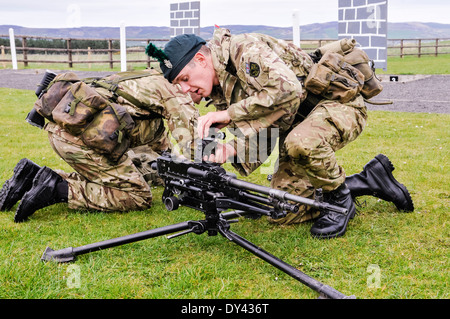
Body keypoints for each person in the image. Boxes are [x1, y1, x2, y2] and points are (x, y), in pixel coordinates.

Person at [146, 28, 414, 239]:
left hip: (337, 105)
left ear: (201, 60)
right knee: (284, 211)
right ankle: (368, 180)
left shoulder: (243, 50)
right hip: (298, 121)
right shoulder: (221, 86)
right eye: (176, 84)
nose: (184, 89)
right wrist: (231, 149)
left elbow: (288, 92)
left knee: (301, 142)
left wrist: (228, 115)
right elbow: (269, 123)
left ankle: (341, 200)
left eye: (184, 79)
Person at [0, 68, 199, 222]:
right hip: (82, 139)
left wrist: (177, 174)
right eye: (199, 92)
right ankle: (56, 189)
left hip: (66, 130)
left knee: (131, 173)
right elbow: (194, 145)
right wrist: (203, 174)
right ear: (185, 80)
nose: (200, 97)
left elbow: (159, 148)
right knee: (138, 195)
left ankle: (31, 176)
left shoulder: (147, 80)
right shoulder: (175, 93)